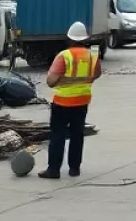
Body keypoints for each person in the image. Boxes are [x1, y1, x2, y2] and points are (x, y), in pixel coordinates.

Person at [40, 21, 101, 179]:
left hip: (63, 102)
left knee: (58, 135)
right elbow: (97, 74)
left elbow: (51, 81)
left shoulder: (64, 56)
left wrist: (64, 82)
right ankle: (74, 168)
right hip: (82, 101)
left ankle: (54, 169)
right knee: (77, 134)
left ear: (69, 38)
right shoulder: (92, 56)